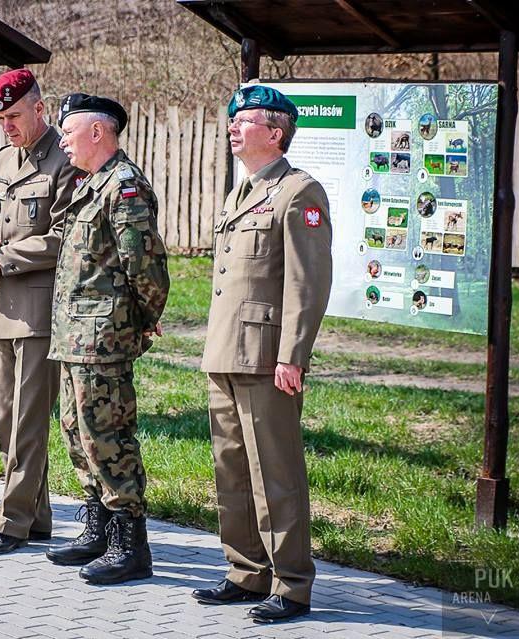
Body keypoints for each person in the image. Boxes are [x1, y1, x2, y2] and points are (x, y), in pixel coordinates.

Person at [193, 85, 333, 623]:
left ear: (274, 132)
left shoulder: (299, 193)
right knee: (231, 470)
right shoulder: (239, 192)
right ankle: (245, 572)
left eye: (243, 120)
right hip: (225, 354)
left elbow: (307, 284)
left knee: (274, 472)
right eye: (231, 119)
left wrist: (292, 356)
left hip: (267, 356)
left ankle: (292, 583)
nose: (232, 127)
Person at [44, 93, 169, 585]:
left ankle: (130, 544)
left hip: (103, 337)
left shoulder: (125, 185)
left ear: (98, 132)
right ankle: (98, 527)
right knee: (77, 434)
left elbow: (146, 266)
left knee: (108, 438)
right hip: (75, 334)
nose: (63, 140)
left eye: (70, 131)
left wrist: (141, 319)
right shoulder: (90, 184)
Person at [0, 70, 81, 555]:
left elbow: (62, 237)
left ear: (40, 108)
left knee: (28, 423)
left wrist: (5, 258)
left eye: (14, 117)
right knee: (4, 417)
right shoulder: (2, 159)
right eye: (0, 120)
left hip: (38, 310)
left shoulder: (65, 160)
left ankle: (11, 521)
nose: (7, 127)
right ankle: (37, 516)